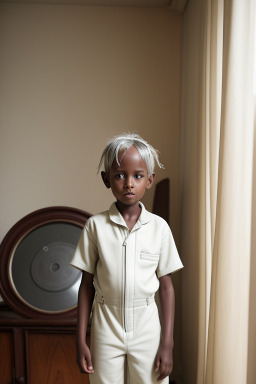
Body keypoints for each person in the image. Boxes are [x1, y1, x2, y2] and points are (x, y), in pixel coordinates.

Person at [70, 133, 183, 384]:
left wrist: (167, 342)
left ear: (149, 180)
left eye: (138, 176)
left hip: (147, 328)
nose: (129, 183)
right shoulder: (95, 226)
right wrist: (80, 340)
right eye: (120, 175)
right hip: (105, 327)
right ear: (106, 179)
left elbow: (166, 288)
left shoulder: (159, 228)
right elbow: (86, 285)